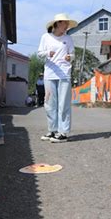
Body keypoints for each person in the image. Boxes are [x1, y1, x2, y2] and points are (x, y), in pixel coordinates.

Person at [37, 13, 77, 143]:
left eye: (67, 24)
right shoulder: (46, 37)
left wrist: (69, 57)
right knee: (49, 104)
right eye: (64, 23)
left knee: (63, 104)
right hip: (49, 74)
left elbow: (73, 54)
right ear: (57, 24)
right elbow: (39, 54)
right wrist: (48, 53)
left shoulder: (68, 39)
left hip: (64, 74)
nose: (66, 26)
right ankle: (52, 130)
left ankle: (63, 132)